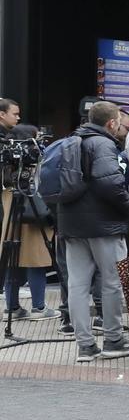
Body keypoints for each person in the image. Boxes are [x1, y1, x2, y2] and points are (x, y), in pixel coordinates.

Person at [53, 101, 129, 361]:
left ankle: (85, 346)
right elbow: (110, 184)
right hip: (103, 225)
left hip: (71, 224)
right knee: (112, 282)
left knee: (77, 284)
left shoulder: (71, 141)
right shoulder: (102, 144)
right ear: (111, 123)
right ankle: (114, 340)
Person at [0, 99, 54, 320]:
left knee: (12, 258)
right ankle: (39, 307)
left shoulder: (6, 152)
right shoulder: (31, 163)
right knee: (36, 259)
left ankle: (12, 307)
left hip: (9, 209)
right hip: (31, 211)